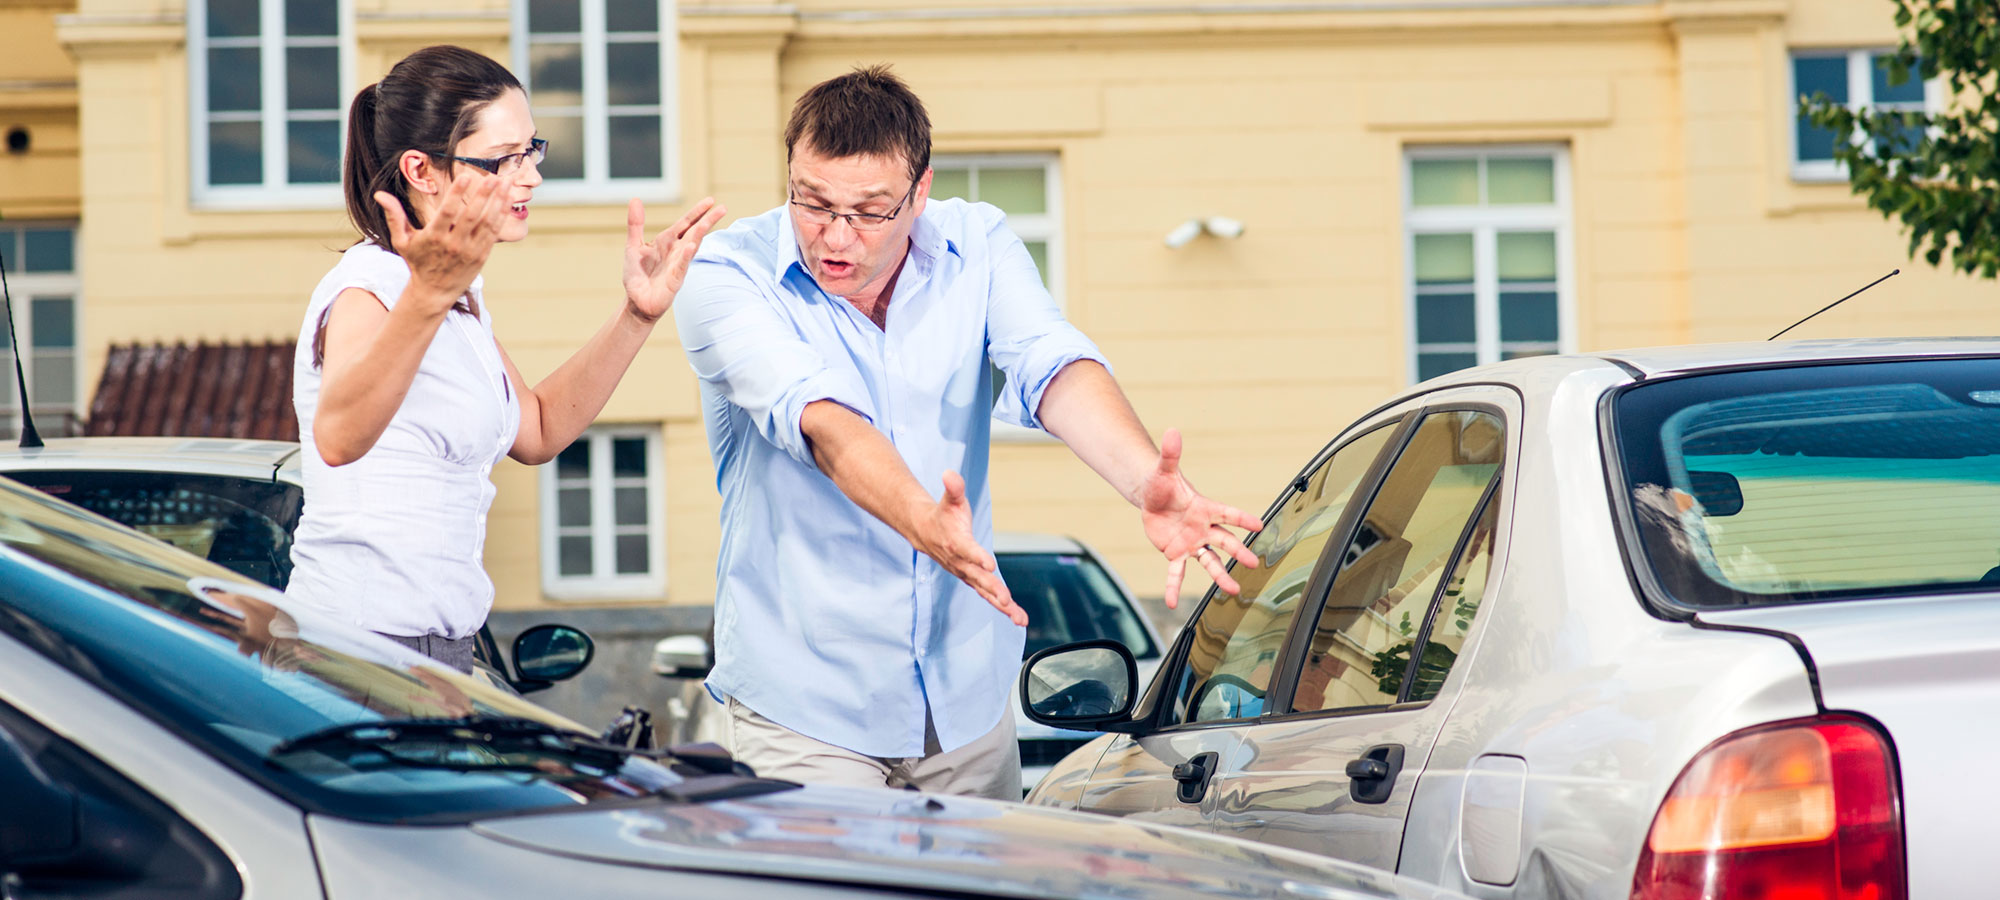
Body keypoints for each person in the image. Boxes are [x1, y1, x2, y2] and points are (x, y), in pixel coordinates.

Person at [675, 65, 1262, 798]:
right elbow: (820, 418)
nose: (835, 235)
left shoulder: (977, 242)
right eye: (813, 202)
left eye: (870, 211)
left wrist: (1144, 481)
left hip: (963, 706)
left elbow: (1046, 359)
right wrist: (923, 522)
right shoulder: (727, 274)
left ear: (920, 191)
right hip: (805, 710)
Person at [288, 45, 723, 672]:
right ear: (421, 169)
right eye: (503, 159)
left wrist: (638, 314)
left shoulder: (455, 296)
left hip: (440, 651)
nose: (531, 176)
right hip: (357, 649)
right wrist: (430, 295)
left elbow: (538, 429)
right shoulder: (369, 288)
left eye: (531, 149)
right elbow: (337, 437)